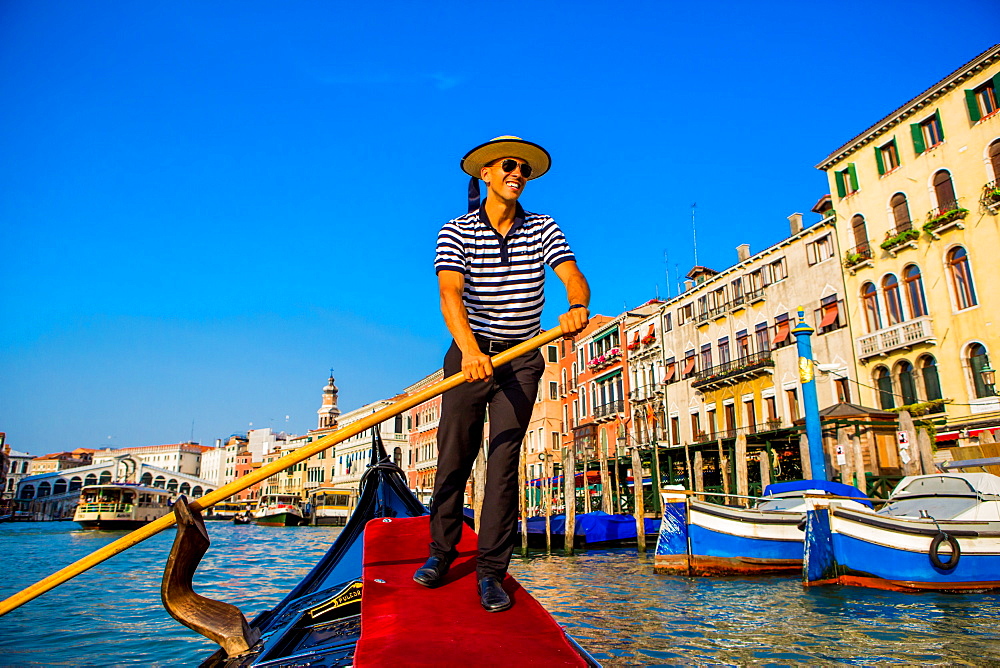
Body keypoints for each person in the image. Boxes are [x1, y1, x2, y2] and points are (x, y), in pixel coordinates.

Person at [413, 136, 590, 612]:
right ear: (486, 174)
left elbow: (572, 274)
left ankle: (491, 571)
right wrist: (471, 352)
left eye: (524, 169)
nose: (516, 173)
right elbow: (451, 296)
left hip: (523, 357)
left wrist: (577, 304)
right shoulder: (455, 231)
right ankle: (441, 553)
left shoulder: (543, 227)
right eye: (507, 166)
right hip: (470, 355)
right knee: (454, 456)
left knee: (504, 461)